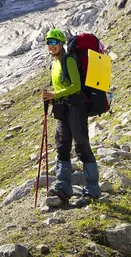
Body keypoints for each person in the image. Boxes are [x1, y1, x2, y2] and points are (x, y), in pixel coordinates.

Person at [41, 28, 100, 207]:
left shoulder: (69, 61)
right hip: (61, 109)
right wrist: (50, 97)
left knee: (81, 146)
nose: (51, 46)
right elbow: (58, 87)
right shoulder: (54, 64)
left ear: (61, 43)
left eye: (54, 42)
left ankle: (92, 190)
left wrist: (55, 94)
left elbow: (76, 86)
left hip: (76, 107)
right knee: (62, 146)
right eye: (48, 43)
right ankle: (63, 187)